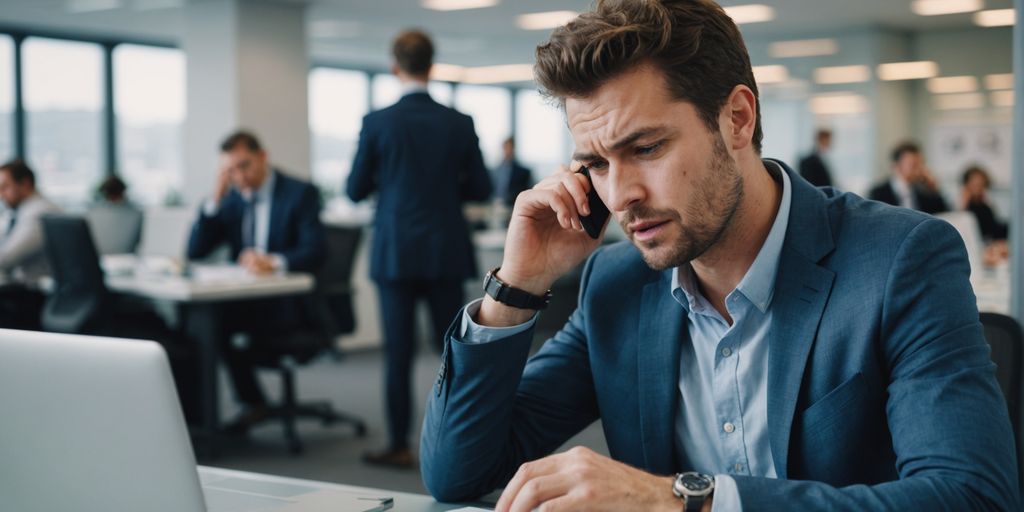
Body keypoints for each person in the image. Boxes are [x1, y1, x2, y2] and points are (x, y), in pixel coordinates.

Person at [419, 1, 1019, 511]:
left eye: (646, 147)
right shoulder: (616, 283)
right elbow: (459, 474)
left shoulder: (899, 259)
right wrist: (517, 286)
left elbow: (969, 495)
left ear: (737, 118)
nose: (620, 194)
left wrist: (685, 500)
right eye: (597, 164)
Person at [347, 29, 492, 468]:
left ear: (395, 67)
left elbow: (354, 189)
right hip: (445, 249)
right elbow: (481, 188)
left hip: (394, 252)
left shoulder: (377, 123)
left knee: (398, 354)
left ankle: (398, 444)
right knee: (456, 353)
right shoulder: (458, 123)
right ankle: (462, 446)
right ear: (431, 66)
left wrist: (388, 181)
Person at [187, 130, 326, 429]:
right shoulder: (234, 198)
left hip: (289, 303)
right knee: (200, 327)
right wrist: (215, 200)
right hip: (246, 301)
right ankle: (213, 420)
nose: (240, 176)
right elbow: (196, 250)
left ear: (263, 157)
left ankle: (247, 407)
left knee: (218, 328)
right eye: (231, 170)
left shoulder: (299, 193)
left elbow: (315, 251)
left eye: (245, 165)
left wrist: (274, 261)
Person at [0, 159, 60, 330]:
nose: (1, 194)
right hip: (18, 290)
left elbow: (6, 258)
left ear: (25, 184)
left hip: (32, 295)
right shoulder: (16, 212)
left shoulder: (39, 212)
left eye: (5, 187)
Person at [868, 141, 949, 214]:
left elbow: (943, 214)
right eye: (914, 165)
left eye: (921, 164)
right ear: (897, 167)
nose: (919, 169)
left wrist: (934, 191)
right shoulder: (878, 194)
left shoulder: (924, 191)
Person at [86, 175, 143, 254]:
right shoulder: (137, 214)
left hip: (100, 258)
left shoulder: (92, 213)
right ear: (124, 192)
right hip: (128, 259)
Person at [493, 137, 534, 207]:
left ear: (513, 149)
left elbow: (524, 193)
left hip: (513, 206)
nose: (506, 150)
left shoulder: (523, 172)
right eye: (505, 148)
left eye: (509, 147)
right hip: (495, 205)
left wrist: (506, 199)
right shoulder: (495, 170)